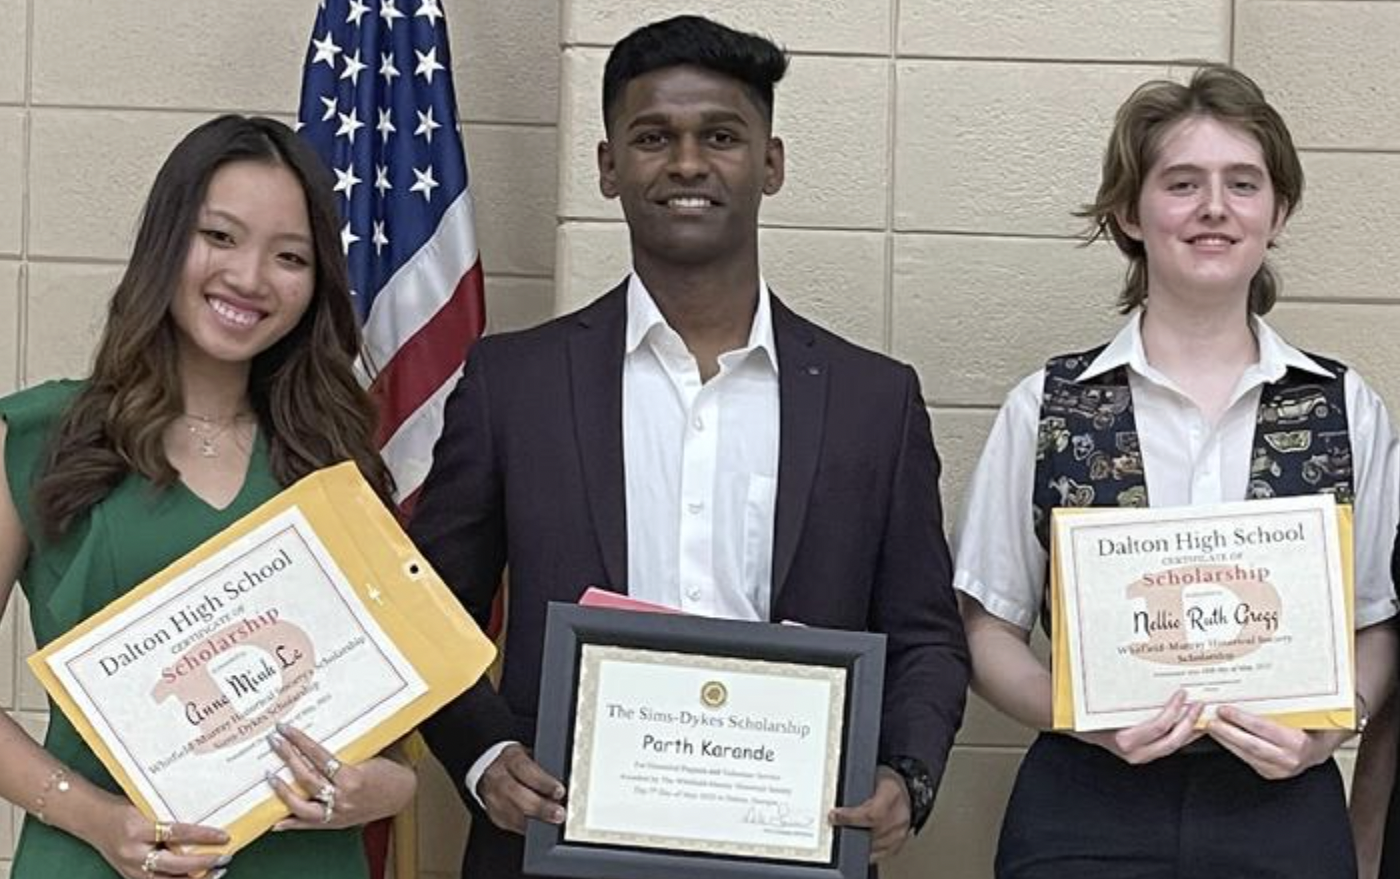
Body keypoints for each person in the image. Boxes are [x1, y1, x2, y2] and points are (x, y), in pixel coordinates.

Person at [410, 14, 969, 879]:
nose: (686, 164)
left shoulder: (875, 401)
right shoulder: (512, 385)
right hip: (555, 846)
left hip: (796, 846)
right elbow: (429, 615)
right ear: (607, 167)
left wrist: (906, 771)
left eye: (720, 136)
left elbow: (926, 636)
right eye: (651, 137)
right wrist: (484, 756)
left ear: (771, 163)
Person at [954, 65, 1399, 878]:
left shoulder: (1346, 407)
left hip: (1281, 802)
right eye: (1182, 183)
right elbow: (985, 626)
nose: (1214, 208)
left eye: (1243, 183)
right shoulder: (1046, 404)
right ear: (1130, 211)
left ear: (1278, 210)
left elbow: (1377, 620)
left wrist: (1331, 731)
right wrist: (1079, 714)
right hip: (1084, 801)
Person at [0, 115, 417, 878]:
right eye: (220, 237)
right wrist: (94, 818)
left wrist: (387, 786)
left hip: (303, 862)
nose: (251, 277)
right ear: (166, 242)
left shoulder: (334, 458)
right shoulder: (38, 438)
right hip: (94, 859)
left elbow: (385, 729)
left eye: (290, 256)